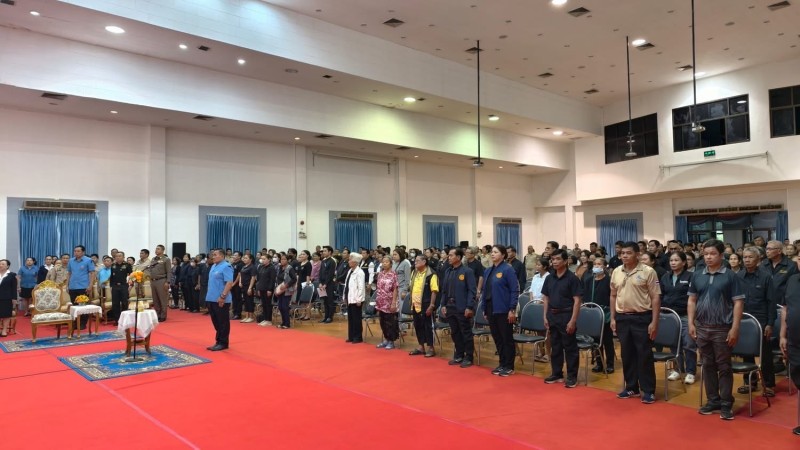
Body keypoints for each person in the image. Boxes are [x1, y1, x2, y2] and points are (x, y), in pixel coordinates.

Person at [688, 239, 745, 421]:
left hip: (722, 328)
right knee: (707, 365)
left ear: (721, 255)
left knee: (724, 366)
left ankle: (726, 403)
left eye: (713, 254)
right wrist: (691, 323)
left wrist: (735, 327)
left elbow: (738, 302)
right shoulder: (697, 275)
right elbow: (692, 300)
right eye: (706, 254)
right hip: (702, 327)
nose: (709, 257)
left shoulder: (731, 276)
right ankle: (713, 400)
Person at [610, 241, 660, 404]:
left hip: (642, 317)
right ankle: (631, 387)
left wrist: (654, 321)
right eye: (622, 253)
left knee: (644, 354)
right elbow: (613, 295)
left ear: (637, 254)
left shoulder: (648, 271)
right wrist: (613, 318)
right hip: (622, 317)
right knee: (627, 354)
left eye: (628, 253)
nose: (624, 256)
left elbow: (655, 297)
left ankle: (648, 390)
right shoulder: (616, 271)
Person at [736, 246, 776, 397]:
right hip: (744, 319)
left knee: (765, 354)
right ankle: (750, 382)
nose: (747, 260)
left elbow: (771, 302)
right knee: (746, 352)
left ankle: (769, 384)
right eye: (745, 257)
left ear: (758, 259)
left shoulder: (766, 277)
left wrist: (770, 323)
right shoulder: (738, 276)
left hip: (761, 320)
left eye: (750, 257)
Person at [542, 249, 582, 387]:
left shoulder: (572, 278)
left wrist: (573, 320)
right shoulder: (549, 278)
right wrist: (545, 316)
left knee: (570, 347)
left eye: (558, 259)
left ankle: (572, 376)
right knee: (556, 346)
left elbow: (577, 301)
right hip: (552, 315)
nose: (554, 262)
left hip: (566, 315)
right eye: (553, 259)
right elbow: (546, 298)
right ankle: (557, 373)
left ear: (565, 261)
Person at [482, 245, 519, 377]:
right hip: (491, 307)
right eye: (492, 252)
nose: (492, 254)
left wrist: (512, 309)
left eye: (496, 252)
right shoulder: (488, 271)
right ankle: (502, 363)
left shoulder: (508, 269)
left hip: (504, 308)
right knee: (497, 337)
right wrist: (484, 308)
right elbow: (485, 290)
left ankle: (509, 366)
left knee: (506, 338)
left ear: (503, 255)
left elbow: (514, 290)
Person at [660, 251, 696, 384]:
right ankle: (678, 369)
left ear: (684, 262)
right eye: (671, 260)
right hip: (670, 315)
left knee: (689, 344)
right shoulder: (665, 276)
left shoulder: (691, 276)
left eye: (676, 260)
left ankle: (691, 372)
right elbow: (661, 294)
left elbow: (693, 297)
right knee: (674, 344)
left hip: (685, 315)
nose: (673, 263)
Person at [441, 248, 477, 368]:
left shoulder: (467, 271)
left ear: (458, 257)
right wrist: (443, 305)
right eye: (448, 255)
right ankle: (459, 354)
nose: (449, 257)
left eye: (451, 255)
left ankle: (469, 356)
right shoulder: (448, 271)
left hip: (462, 307)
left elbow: (472, 291)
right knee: (455, 332)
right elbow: (444, 290)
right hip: (450, 306)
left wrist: (469, 306)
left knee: (465, 332)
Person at [779, 257, 800, 437]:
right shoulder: (792, 279)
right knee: (797, 377)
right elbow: (785, 308)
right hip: (794, 338)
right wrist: (782, 335)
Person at [585, 256, 615, 374]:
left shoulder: (609, 280)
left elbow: (612, 298)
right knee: (595, 341)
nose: (596, 266)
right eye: (595, 264)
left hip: (605, 314)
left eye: (599, 264)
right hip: (592, 314)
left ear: (604, 266)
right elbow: (585, 296)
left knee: (607, 340)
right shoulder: (589, 280)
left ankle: (610, 364)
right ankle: (599, 363)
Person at [408, 254, 439, 358]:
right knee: (418, 325)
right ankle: (421, 346)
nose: (415, 262)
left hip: (426, 304)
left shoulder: (431, 274)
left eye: (417, 260)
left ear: (424, 262)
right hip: (415, 304)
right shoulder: (414, 272)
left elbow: (434, 291)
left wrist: (431, 305)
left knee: (428, 326)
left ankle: (431, 348)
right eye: (415, 260)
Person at [205, 249, 233, 351]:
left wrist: (223, 296)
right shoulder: (213, 266)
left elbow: (229, 283)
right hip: (211, 298)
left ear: (222, 256)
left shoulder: (226, 266)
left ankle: (223, 342)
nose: (213, 257)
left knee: (223, 322)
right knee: (216, 321)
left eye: (215, 255)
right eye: (212, 255)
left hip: (221, 299)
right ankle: (218, 341)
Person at [65, 245, 96, 331]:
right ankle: (75, 322)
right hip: (73, 286)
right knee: (74, 305)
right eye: (75, 251)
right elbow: (69, 273)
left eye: (78, 251)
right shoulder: (71, 261)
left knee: (83, 306)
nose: (76, 253)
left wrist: (90, 285)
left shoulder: (88, 260)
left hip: (83, 286)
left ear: (83, 252)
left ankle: (83, 323)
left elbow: (92, 273)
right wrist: (67, 285)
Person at [375, 256, 400, 350]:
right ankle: (386, 339)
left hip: (390, 301)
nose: (384, 263)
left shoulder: (393, 274)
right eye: (383, 262)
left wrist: (394, 302)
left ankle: (391, 341)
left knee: (390, 322)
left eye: (386, 262)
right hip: (381, 301)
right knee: (382, 321)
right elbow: (378, 288)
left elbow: (395, 289)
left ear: (391, 263)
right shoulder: (380, 274)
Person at [144, 245, 171, 322]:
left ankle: (163, 315)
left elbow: (169, 271)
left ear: (162, 250)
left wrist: (167, 282)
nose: (156, 250)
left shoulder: (166, 259)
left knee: (162, 299)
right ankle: (157, 314)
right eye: (156, 249)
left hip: (161, 280)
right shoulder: (153, 259)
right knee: (155, 299)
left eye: (158, 249)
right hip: (153, 281)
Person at [344, 253, 366, 343]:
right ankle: (351, 336)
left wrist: (359, 299)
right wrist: (344, 296)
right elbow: (347, 284)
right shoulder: (350, 271)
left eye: (350, 260)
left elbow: (361, 287)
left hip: (356, 299)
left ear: (355, 262)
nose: (348, 261)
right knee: (351, 318)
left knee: (356, 319)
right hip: (350, 297)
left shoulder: (360, 272)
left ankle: (358, 337)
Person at [275, 253, 297, 329]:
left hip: (287, 290)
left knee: (285, 307)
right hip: (280, 289)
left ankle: (287, 324)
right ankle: (283, 322)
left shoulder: (290, 268)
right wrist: (277, 289)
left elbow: (294, 279)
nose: (282, 261)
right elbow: (277, 279)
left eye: (284, 259)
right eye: (281, 259)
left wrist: (286, 285)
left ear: (288, 260)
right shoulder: (280, 268)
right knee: (280, 307)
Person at [109, 251, 132, 324]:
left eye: (120, 256)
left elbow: (131, 276)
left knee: (124, 303)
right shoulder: (113, 265)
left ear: (123, 257)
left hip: (124, 286)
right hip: (115, 286)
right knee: (115, 304)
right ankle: (117, 320)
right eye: (116, 256)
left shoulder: (127, 265)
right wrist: (111, 286)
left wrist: (130, 285)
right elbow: (111, 277)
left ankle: (125, 320)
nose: (118, 257)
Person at [317, 246, 337, 323]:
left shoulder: (332, 261)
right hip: (322, 284)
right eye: (323, 251)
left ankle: (330, 317)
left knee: (329, 301)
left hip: (329, 284)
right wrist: (320, 283)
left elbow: (330, 274)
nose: (323, 252)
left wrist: (325, 284)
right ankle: (325, 317)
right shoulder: (323, 261)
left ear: (330, 252)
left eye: (325, 251)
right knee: (324, 301)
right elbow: (320, 273)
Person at [255, 254, 276, 326]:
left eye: (264, 259)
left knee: (268, 304)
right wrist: (258, 289)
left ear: (269, 259)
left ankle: (269, 320)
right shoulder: (261, 267)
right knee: (263, 304)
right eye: (262, 259)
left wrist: (270, 289)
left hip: (268, 289)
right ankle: (265, 318)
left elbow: (272, 280)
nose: (262, 260)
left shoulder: (271, 268)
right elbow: (259, 279)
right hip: (261, 288)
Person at [0, 259, 18, 337]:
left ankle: (4, 330)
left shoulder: (12, 275)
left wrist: (14, 299)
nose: (0, 265)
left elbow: (14, 288)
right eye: (0, 264)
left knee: (6, 315)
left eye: (3, 264)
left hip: (7, 298)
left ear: (7, 266)